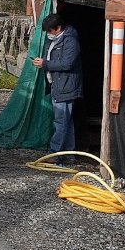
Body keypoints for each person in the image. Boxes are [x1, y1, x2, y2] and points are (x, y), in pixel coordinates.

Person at [31, 12, 82, 160]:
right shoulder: (57, 39)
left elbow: (67, 64)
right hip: (58, 84)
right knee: (66, 120)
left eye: (50, 31)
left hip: (66, 86)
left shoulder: (70, 41)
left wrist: (45, 64)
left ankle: (54, 153)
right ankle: (69, 154)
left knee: (61, 121)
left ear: (58, 28)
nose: (48, 34)